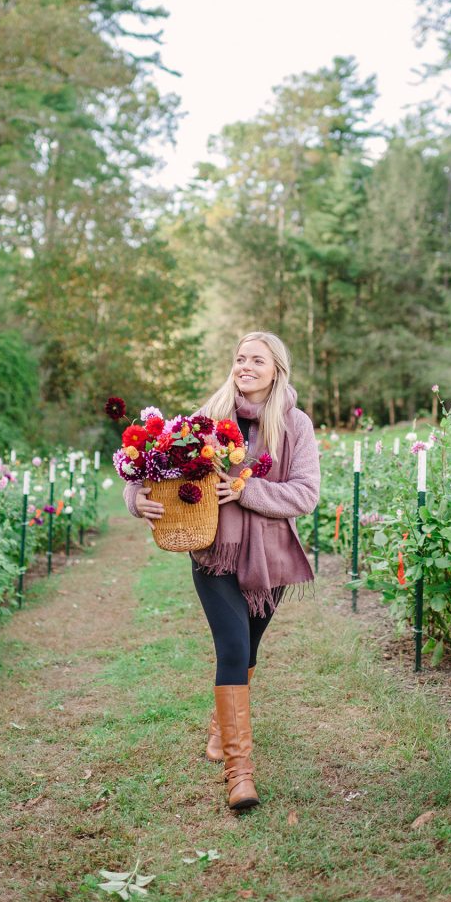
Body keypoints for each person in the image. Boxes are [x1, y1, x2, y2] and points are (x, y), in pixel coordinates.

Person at [123, 331, 320, 811]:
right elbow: (153, 468)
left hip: (270, 557)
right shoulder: (205, 421)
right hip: (214, 551)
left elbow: (305, 494)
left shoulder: (295, 424)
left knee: (249, 647)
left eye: (257, 360)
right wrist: (137, 498)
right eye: (239, 358)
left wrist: (246, 490)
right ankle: (239, 774)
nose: (245, 366)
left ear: (277, 370)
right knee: (231, 647)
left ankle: (220, 726)